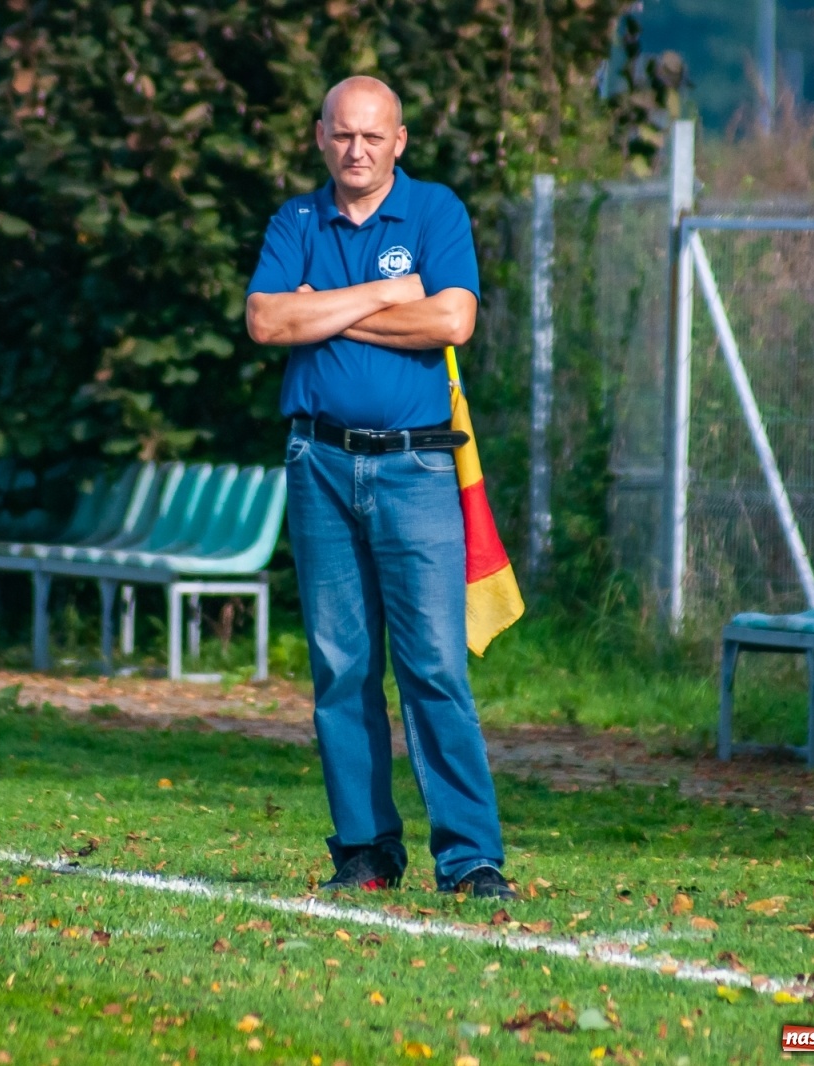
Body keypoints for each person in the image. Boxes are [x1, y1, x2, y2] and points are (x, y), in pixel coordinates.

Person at [245, 76, 514, 900]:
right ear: (319, 136)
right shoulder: (295, 221)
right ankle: (363, 853)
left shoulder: (436, 213)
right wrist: (386, 297)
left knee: (433, 664)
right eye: (341, 135)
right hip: (318, 463)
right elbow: (264, 323)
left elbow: (451, 322)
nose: (355, 150)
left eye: (372, 137)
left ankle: (469, 858)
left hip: (416, 465)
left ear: (399, 141)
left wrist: (320, 309)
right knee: (341, 667)